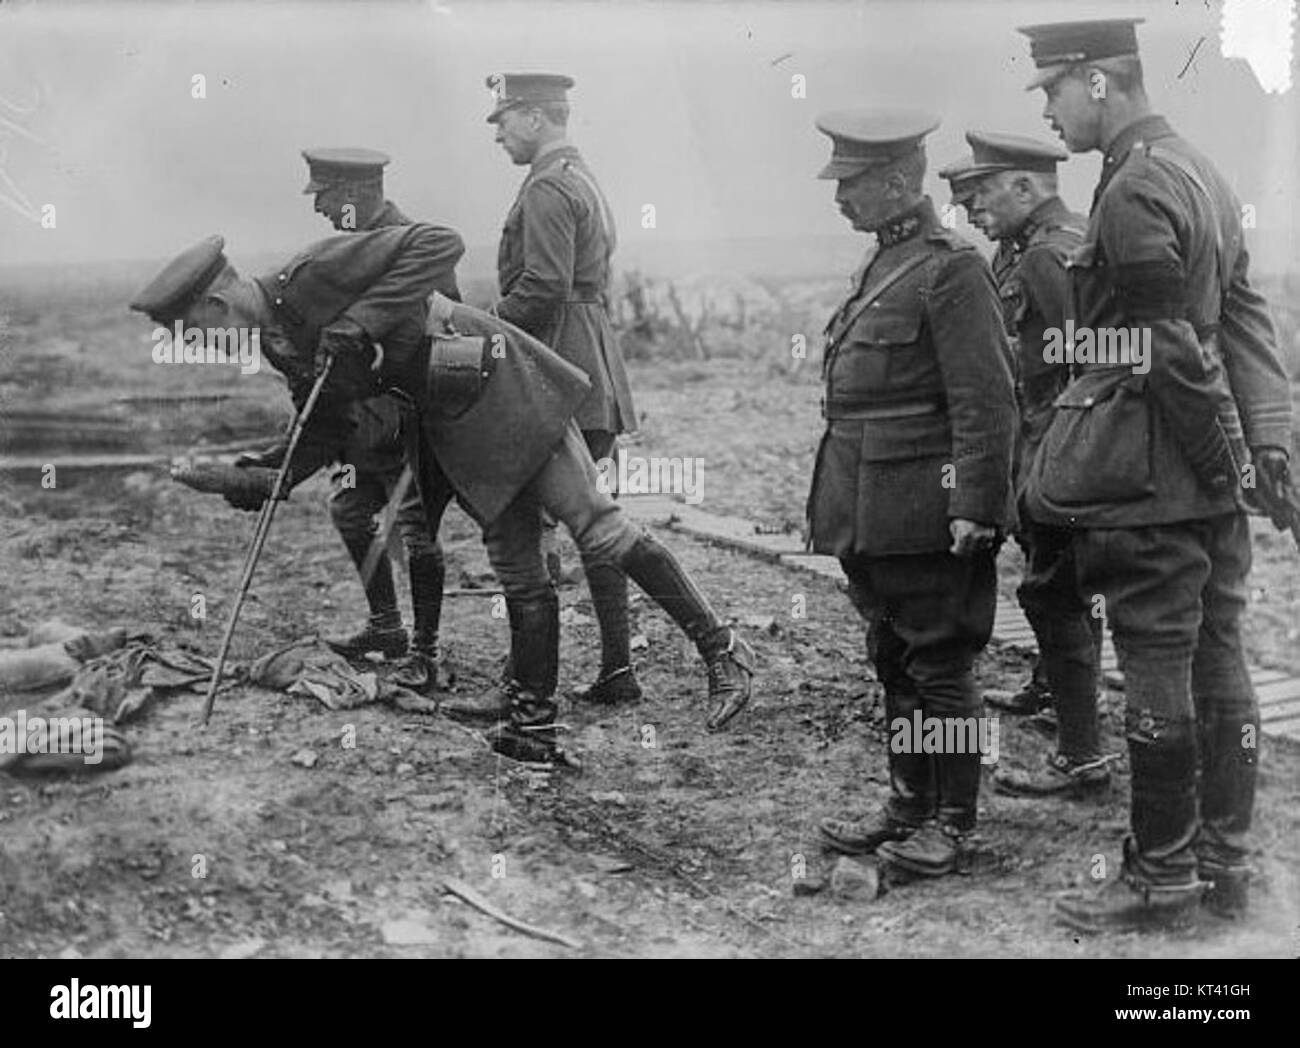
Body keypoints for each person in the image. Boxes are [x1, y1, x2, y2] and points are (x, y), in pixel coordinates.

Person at [128, 225, 755, 734]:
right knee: (513, 561)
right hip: (449, 414)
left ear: (214, 304)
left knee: (595, 524)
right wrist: (254, 480)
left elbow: (437, 243)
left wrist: (363, 321)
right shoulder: (279, 342)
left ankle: (722, 649)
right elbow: (326, 425)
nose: (205, 351)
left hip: (493, 376)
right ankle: (529, 711)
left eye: (197, 337)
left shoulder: (314, 273)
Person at [1018, 18, 1294, 931]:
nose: (1050, 112)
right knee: (1221, 657)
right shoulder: (1202, 171)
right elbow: (1248, 321)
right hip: (1204, 481)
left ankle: (1160, 877)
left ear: (1098, 81)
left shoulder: (1134, 189)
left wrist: (1226, 460)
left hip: (1152, 478)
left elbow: (1168, 348)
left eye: (1053, 90)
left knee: (1156, 667)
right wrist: (1267, 448)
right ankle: (1226, 866)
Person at [809, 109, 1018, 879]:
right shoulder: (881, 264)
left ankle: (953, 824)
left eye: (852, 183)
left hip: (926, 505)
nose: (840, 198)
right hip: (869, 504)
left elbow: (986, 400)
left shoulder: (952, 268)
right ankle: (909, 806)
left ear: (899, 181)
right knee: (895, 658)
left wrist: (977, 502)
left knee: (941, 665)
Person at [943, 132, 1109, 799]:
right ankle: (1055, 691)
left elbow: (1090, 363)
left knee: (1052, 588)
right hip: (1043, 439)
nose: (971, 211)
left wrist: (1064, 457)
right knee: (1061, 580)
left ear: (1026, 186)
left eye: (980, 196)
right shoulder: (1024, 248)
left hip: (1061, 444)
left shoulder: (1052, 254)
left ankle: (1081, 756)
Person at [487, 72, 641, 706]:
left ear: (532, 117)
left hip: (563, 366)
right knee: (594, 518)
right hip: (595, 361)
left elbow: (543, 288)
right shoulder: (583, 176)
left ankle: (533, 679)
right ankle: (617, 667)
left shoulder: (549, 186)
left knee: (544, 515)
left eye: (502, 120)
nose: (497, 133)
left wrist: (487, 328)